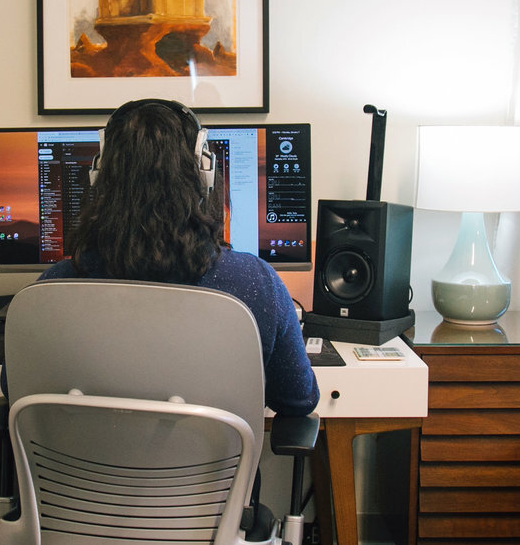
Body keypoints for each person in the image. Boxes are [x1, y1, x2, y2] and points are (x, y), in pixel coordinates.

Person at [38, 97, 320, 417]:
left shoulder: (52, 288)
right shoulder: (255, 281)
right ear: (204, 173)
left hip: (75, 468)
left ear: (99, 175)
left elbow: (16, 387)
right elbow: (298, 400)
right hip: (217, 468)